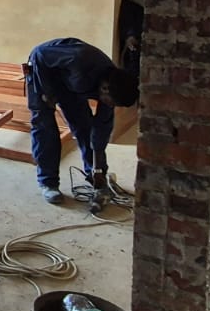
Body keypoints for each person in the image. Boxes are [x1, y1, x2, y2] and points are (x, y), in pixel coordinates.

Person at [24, 37, 140, 204]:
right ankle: (48, 183)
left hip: (71, 84)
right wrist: (47, 91)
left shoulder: (113, 88)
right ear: (104, 88)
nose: (109, 105)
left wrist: (98, 170)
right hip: (42, 71)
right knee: (45, 126)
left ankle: (94, 176)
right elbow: (41, 54)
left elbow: (100, 130)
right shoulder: (80, 58)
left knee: (85, 127)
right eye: (110, 102)